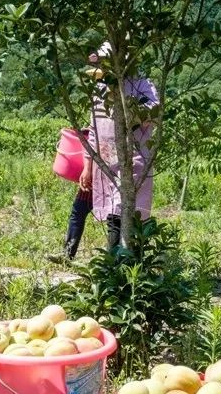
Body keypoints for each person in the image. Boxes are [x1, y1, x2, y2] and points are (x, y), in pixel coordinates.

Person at [52, 43, 159, 261]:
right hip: (102, 165)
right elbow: (93, 131)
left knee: (119, 216)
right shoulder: (99, 91)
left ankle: (118, 265)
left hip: (132, 165)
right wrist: (89, 166)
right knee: (82, 209)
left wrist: (129, 109)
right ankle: (70, 254)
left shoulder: (142, 86)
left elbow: (154, 111)